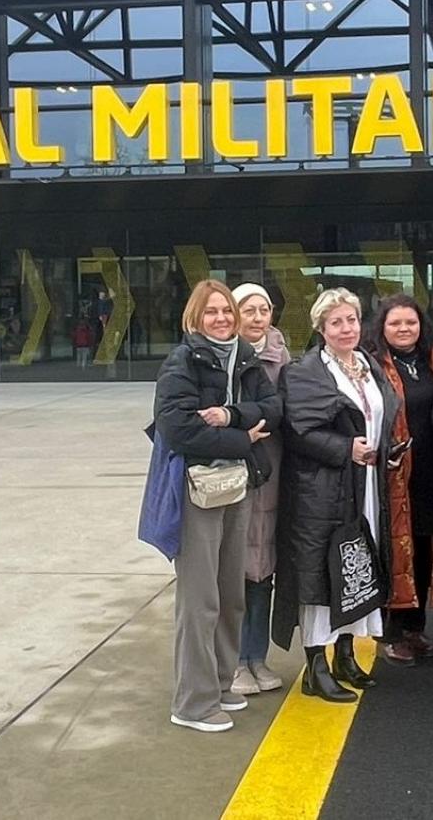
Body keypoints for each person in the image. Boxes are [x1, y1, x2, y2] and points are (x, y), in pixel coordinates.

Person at [154, 280, 282, 732]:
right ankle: (192, 703)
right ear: (195, 317)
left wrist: (231, 417)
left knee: (230, 594)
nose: (222, 319)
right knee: (200, 599)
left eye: (226, 311)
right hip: (198, 489)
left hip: (239, 484)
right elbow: (177, 429)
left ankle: (222, 684)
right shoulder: (182, 362)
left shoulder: (246, 359)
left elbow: (274, 407)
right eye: (211, 313)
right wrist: (244, 437)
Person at [273, 288, 400, 703]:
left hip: (364, 486)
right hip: (320, 491)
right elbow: (301, 431)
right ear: (320, 328)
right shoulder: (305, 372)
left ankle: (346, 654)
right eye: (336, 322)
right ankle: (316, 667)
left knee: (356, 567)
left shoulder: (368, 365)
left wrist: (386, 451)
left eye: (351, 320)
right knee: (319, 571)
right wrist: (347, 449)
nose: (346, 329)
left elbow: (378, 416)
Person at [362, 294, 433, 667]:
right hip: (390, 473)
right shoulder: (369, 365)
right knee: (391, 549)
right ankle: (391, 632)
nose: (404, 329)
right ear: (381, 328)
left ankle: (415, 627)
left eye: (411, 323)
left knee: (424, 544)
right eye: (395, 323)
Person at [229, 283, 291, 696]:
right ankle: (233, 662)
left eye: (263, 309)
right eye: (247, 309)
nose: (257, 317)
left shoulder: (285, 360)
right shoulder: (222, 358)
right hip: (232, 474)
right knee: (233, 570)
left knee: (264, 570)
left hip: (271, 474)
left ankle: (257, 657)